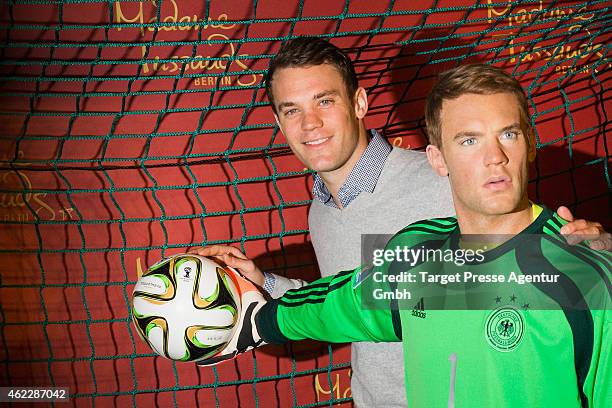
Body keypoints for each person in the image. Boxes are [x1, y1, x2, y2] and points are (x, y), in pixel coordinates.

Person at [191, 40, 610, 407]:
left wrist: (598, 247)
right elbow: (360, 297)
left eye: (324, 101)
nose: (310, 123)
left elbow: (534, 259)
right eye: (291, 110)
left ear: (359, 103)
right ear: (279, 123)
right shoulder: (321, 210)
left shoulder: (446, 180)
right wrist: (263, 289)